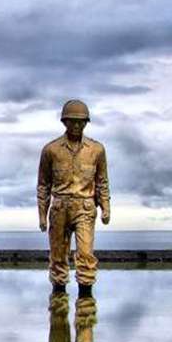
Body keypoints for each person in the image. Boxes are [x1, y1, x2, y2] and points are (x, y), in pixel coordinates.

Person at [36, 99, 110, 297]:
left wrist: (105, 207)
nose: (76, 126)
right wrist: (42, 215)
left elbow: (102, 181)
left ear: (86, 123)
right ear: (64, 122)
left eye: (81, 122)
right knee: (58, 257)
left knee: (86, 255)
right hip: (59, 207)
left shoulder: (96, 150)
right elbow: (43, 185)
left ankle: (86, 302)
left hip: (85, 207)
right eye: (72, 121)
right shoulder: (51, 150)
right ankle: (58, 302)